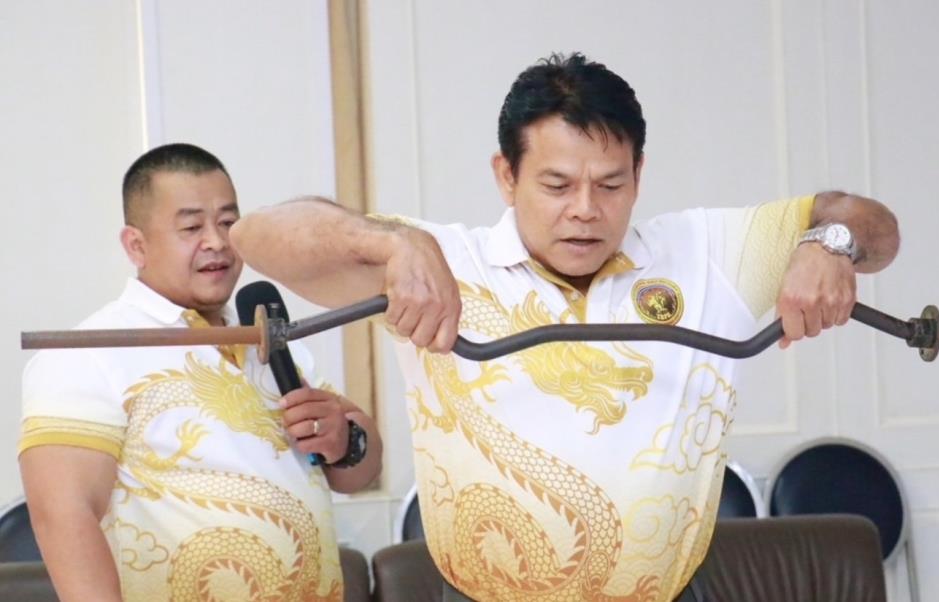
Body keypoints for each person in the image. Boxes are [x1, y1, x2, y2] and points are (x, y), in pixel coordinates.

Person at [231, 53, 899, 602]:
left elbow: (871, 222)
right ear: (506, 175)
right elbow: (256, 235)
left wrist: (829, 243)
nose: (585, 210)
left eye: (610, 185)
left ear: (639, 174)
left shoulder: (705, 252)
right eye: (556, 185)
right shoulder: (444, 260)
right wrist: (390, 245)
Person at [19, 143, 382, 602]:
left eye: (228, 223)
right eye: (192, 227)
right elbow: (61, 514)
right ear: (136, 245)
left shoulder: (271, 339)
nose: (217, 241)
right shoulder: (90, 350)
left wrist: (345, 441)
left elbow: (359, 472)